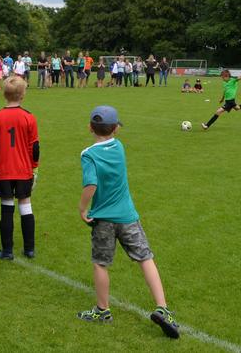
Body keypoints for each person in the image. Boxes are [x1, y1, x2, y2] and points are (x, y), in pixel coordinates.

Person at [77, 105, 180, 339]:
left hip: (103, 219)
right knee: (145, 258)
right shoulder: (119, 146)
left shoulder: (88, 154)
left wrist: (82, 208)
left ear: (89, 127)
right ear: (116, 129)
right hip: (127, 216)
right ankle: (163, 308)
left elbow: (90, 185)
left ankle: (102, 311)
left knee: (101, 263)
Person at [0, 76, 39, 260]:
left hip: (2, 170)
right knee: (25, 205)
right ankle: (29, 249)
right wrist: (34, 168)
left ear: (4, 94)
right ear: (23, 95)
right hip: (23, 170)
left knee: (6, 206)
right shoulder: (28, 117)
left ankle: (8, 251)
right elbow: (34, 146)